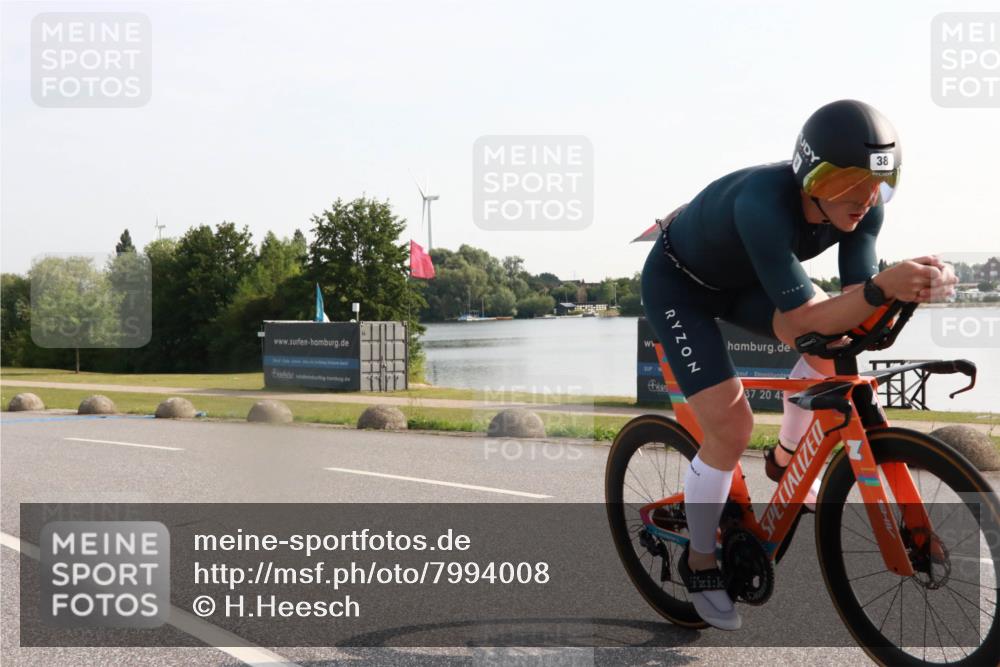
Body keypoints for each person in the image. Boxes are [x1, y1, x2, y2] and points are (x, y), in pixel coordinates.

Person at [639, 99, 958, 630]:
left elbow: (853, 306)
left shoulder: (866, 209)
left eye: (880, 183)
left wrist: (914, 286)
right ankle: (699, 560)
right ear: (811, 176)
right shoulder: (763, 203)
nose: (864, 199)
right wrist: (884, 287)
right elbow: (816, 309)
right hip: (681, 287)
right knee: (732, 426)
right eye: (846, 183)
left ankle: (787, 456)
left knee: (827, 348)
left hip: (745, 281)